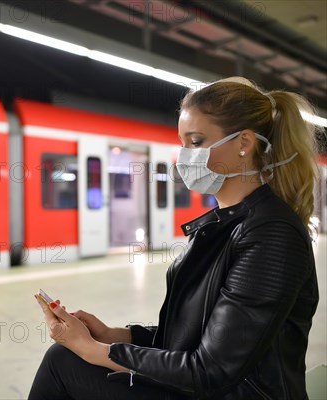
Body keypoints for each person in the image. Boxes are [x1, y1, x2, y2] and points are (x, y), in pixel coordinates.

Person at [29, 77, 320, 400]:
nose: (184, 156)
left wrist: (94, 349)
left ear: (244, 143)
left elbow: (210, 369)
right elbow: (192, 338)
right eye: (182, 143)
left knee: (63, 363)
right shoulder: (223, 225)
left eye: (196, 142)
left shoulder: (272, 234)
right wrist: (115, 335)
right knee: (63, 359)